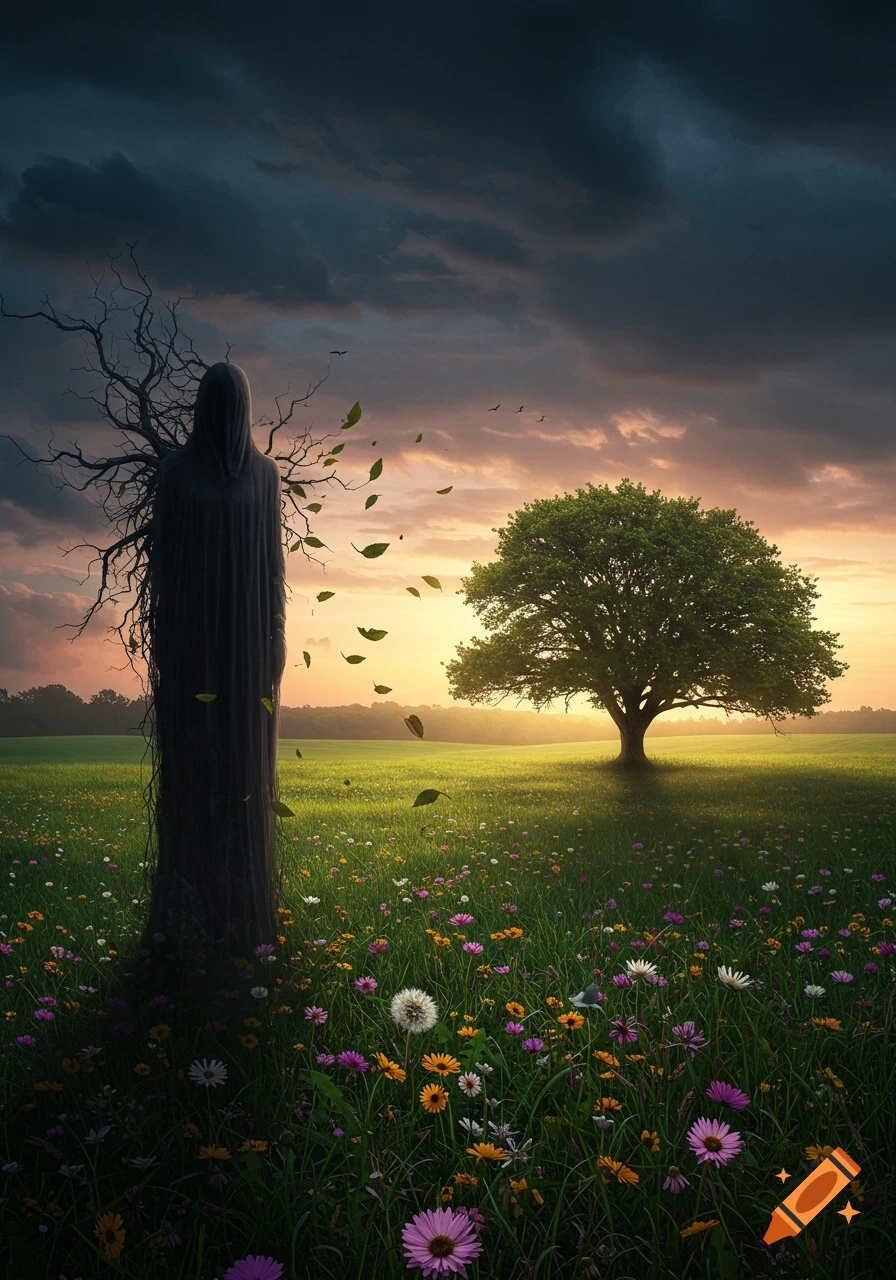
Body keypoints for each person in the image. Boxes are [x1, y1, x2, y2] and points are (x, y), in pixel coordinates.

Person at [139, 362, 287, 977]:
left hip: (238, 653)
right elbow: (165, 568)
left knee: (237, 775)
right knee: (203, 773)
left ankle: (235, 918)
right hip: (203, 649)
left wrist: (274, 644)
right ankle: (193, 919)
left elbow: (272, 567)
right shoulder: (181, 473)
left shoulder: (262, 475)